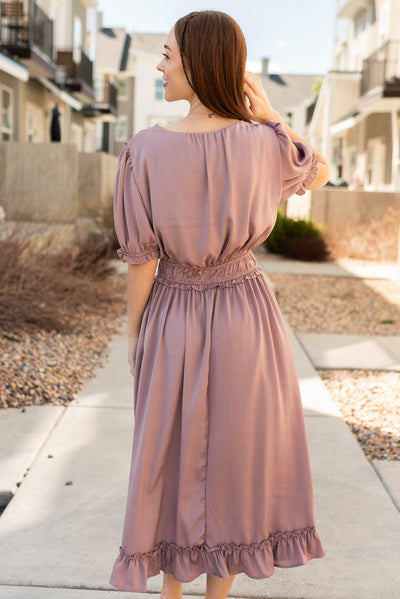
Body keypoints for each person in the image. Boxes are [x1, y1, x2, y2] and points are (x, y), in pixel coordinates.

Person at [109, 9, 328, 599]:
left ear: (198, 63)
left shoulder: (144, 150)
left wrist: (137, 336)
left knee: (168, 453)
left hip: (173, 308)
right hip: (246, 314)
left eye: (167, 55)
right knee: (237, 457)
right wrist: (271, 116)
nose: (159, 66)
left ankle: (172, 594)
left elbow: (141, 262)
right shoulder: (263, 145)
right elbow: (319, 172)